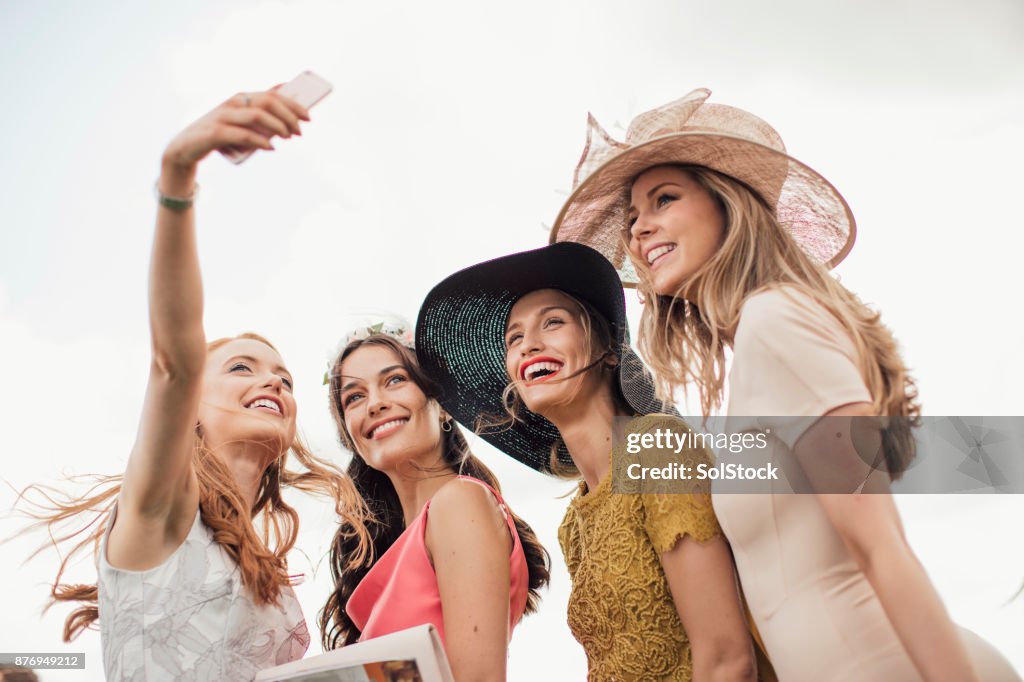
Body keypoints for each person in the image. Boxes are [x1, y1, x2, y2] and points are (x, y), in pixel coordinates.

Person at [548, 87, 1019, 680]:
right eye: (634, 216)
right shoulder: (752, 357)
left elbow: (882, 547)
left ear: (727, 206)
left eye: (663, 199)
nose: (640, 230)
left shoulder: (777, 323)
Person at [20, 87, 368, 680]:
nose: (273, 383)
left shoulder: (264, 565)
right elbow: (173, 363)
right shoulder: (162, 508)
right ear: (192, 411)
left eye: (283, 377)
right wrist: (178, 175)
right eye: (242, 367)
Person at [415, 242, 775, 681]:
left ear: (608, 349)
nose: (529, 344)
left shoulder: (657, 446)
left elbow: (728, 659)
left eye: (553, 322)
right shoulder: (574, 521)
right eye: (514, 337)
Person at [318, 323, 550, 682]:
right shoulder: (398, 546)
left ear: (443, 407)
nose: (376, 403)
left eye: (395, 380)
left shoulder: (460, 503)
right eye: (354, 397)